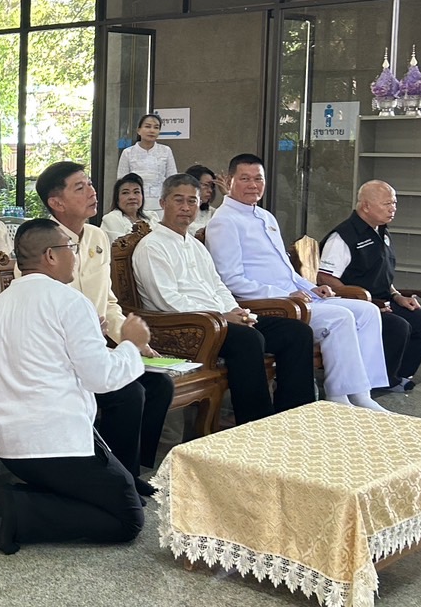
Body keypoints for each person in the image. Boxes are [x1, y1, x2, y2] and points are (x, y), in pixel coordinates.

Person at [0, 219, 149, 555]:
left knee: (119, 492)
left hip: (12, 447)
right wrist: (132, 344)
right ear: (51, 256)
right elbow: (101, 379)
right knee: (129, 517)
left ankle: (24, 500)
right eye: (71, 248)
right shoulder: (70, 301)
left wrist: (90, 333)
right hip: (59, 445)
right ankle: (17, 509)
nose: (76, 256)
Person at [206, 153, 389, 410]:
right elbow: (231, 280)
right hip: (269, 304)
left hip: (297, 296)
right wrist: (283, 295)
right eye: (245, 179)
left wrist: (312, 287)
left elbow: (287, 271)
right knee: (340, 317)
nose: (253, 185)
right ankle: (339, 396)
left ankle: (362, 393)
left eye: (258, 179)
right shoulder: (224, 222)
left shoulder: (266, 217)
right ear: (230, 181)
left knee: (368, 311)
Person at [134, 174, 316, 425]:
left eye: (192, 201)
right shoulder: (152, 246)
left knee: (296, 333)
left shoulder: (195, 245)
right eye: (179, 200)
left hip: (221, 318)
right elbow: (167, 300)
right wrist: (222, 317)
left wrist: (236, 311)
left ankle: (294, 416)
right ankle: (256, 424)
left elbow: (217, 285)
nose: (186, 207)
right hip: (187, 326)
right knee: (249, 339)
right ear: (163, 202)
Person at [37, 161, 171, 489]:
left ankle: (133, 470)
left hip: (96, 348)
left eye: (90, 184)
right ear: (56, 202)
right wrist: (84, 329)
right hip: (60, 355)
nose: (92, 192)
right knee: (129, 393)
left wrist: (131, 339)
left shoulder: (97, 236)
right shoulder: (39, 242)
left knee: (159, 384)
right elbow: (38, 307)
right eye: (80, 187)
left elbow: (108, 301)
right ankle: (114, 479)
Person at [319, 180, 421, 393]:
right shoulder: (343, 237)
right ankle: (381, 381)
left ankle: (397, 374)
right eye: (387, 204)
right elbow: (325, 277)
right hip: (358, 305)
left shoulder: (381, 231)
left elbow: (380, 274)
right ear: (366, 206)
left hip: (384, 300)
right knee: (398, 326)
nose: (393, 209)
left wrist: (397, 295)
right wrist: (362, 302)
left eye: (394, 203)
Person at [116, 113, 177, 216]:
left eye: (156, 127)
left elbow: (172, 179)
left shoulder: (166, 151)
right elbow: (121, 181)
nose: (152, 130)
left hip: (160, 205)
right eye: (148, 126)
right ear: (139, 130)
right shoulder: (128, 152)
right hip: (135, 204)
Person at [99, 173, 149, 241]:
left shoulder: (152, 217)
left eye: (136, 192)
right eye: (125, 193)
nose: (132, 197)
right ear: (117, 199)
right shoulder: (111, 219)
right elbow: (122, 246)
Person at [185, 164, 217, 233]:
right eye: (206, 185)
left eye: (212, 187)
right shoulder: (181, 209)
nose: (210, 190)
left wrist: (226, 194)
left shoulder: (212, 212)